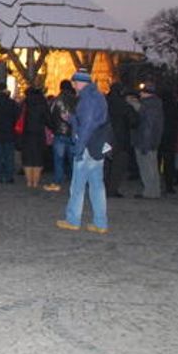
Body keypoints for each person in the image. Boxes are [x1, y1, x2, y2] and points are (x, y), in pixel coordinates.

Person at [57, 70, 110, 233]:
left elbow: (86, 126)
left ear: (79, 82)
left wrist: (79, 148)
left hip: (87, 145)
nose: (73, 86)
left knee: (77, 185)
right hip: (97, 145)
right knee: (97, 185)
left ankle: (73, 219)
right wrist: (71, 118)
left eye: (74, 82)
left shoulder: (86, 99)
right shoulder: (99, 96)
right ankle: (101, 223)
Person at [104, 82, 137, 198]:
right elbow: (134, 121)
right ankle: (112, 189)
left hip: (105, 137)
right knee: (118, 166)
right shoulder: (124, 105)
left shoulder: (104, 102)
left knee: (105, 165)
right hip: (121, 139)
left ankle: (103, 187)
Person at [133, 83, 164, 198]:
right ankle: (154, 190)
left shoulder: (148, 106)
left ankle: (150, 192)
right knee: (152, 166)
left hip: (145, 140)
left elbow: (148, 127)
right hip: (153, 140)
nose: (140, 94)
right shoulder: (156, 104)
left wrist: (145, 144)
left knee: (146, 167)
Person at [20, 86, 52, 189]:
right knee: (38, 158)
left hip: (26, 134)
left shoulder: (25, 103)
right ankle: (35, 182)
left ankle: (29, 182)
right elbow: (48, 120)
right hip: (39, 134)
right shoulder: (42, 104)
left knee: (28, 158)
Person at [48, 80, 77, 192]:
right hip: (73, 132)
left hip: (59, 132)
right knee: (73, 158)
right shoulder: (76, 100)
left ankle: (58, 180)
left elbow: (50, 115)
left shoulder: (56, 100)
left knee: (58, 159)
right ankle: (74, 179)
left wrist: (53, 128)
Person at [0, 83, 19, 185]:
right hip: (9, 132)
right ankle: (9, 176)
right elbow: (17, 116)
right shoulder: (11, 103)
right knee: (9, 156)